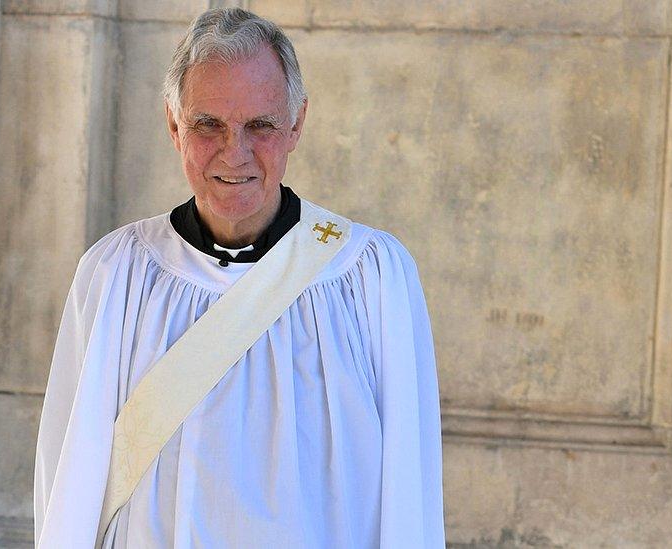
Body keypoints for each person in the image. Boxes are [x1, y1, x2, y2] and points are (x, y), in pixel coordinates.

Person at [34, 7, 444, 548]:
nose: (236, 152)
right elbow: (68, 486)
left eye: (261, 125)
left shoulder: (369, 277)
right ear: (173, 125)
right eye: (208, 125)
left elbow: (410, 494)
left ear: (296, 124)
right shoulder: (116, 277)